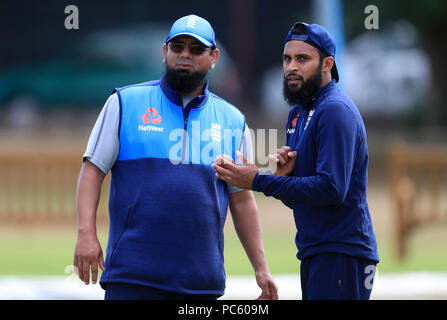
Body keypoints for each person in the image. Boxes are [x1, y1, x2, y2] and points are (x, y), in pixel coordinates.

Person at [74, 14, 278, 300]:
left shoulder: (234, 121)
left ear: (214, 57)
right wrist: (86, 233)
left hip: (200, 284)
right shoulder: (124, 103)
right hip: (132, 278)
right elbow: (92, 171)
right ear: (164, 52)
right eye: (177, 47)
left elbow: (242, 200)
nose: (185, 55)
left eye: (196, 49)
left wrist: (261, 268)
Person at [212, 22, 379, 300]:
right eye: (287, 59)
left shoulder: (335, 111)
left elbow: (331, 189)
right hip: (315, 250)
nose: (291, 67)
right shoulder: (298, 114)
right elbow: (303, 197)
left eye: (302, 59)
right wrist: (283, 179)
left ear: (327, 64)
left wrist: (257, 180)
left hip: (343, 252)